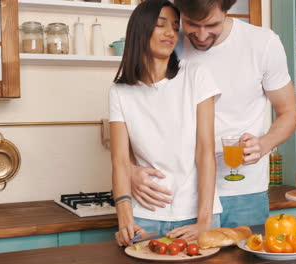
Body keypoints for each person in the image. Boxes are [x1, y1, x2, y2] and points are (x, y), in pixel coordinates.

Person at [130, 0, 296, 228]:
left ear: (227, 10)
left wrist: (264, 144)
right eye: (191, 24)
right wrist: (131, 170)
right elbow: (136, 114)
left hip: (243, 193)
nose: (201, 35)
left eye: (211, 25)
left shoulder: (263, 43)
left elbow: (289, 113)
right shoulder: (167, 42)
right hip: (180, 193)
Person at [110, 0, 222, 247]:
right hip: (145, 216)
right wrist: (125, 220)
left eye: (174, 26)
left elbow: (205, 151)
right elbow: (119, 161)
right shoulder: (120, 91)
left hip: (197, 214)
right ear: (141, 30)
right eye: (161, 25)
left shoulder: (196, 76)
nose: (171, 33)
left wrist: (204, 221)